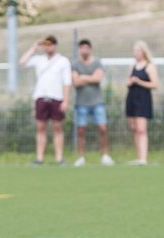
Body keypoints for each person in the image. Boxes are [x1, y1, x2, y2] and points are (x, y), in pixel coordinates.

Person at [20, 36, 72, 165]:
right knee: (40, 127)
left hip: (57, 98)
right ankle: (39, 157)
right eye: (46, 44)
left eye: (50, 44)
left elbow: (67, 82)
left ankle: (59, 158)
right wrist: (34, 47)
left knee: (57, 128)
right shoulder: (39, 60)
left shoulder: (63, 61)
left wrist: (66, 100)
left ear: (55, 45)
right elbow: (22, 62)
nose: (48, 47)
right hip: (41, 97)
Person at [71, 39, 113, 167]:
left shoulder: (97, 63)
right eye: (81, 48)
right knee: (81, 130)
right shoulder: (75, 65)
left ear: (90, 49)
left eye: (86, 48)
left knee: (103, 129)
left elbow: (98, 78)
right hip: (81, 103)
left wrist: (83, 77)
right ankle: (81, 157)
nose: (84, 50)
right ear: (79, 50)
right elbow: (75, 82)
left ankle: (105, 155)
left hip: (97, 102)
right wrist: (90, 78)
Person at [124, 41, 159, 166]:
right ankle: (138, 156)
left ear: (143, 52)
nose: (135, 53)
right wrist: (131, 82)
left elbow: (155, 84)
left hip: (143, 100)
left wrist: (139, 82)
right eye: (134, 51)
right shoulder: (132, 66)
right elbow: (127, 81)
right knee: (134, 128)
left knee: (141, 129)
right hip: (131, 98)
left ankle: (143, 158)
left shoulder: (149, 66)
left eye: (137, 50)